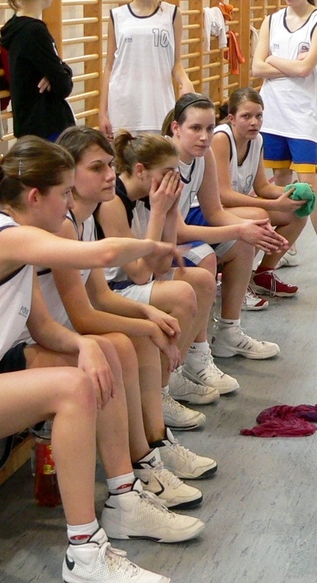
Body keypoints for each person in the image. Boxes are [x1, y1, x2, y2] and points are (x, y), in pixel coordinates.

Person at [0, 136, 207, 583]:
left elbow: (42, 327)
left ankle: (125, 499)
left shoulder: (9, 234)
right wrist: (155, 242)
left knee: (107, 350)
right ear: (35, 197)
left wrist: (84, 344)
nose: (68, 204)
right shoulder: (6, 236)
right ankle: (85, 552)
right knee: (74, 388)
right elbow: (102, 255)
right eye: (63, 193)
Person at [38, 126, 217, 476]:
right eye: (97, 168)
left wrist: (147, 314)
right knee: (130, 339)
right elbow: (118, 290)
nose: (109, 174)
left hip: (77, 317)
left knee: (144, 329)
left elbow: (102, 296)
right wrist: (146, 324)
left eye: (109, 165)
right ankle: (142, 460)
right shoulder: (73, 222)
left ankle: (155, 443)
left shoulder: (83, 220)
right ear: (68, 174)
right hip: (48, 334)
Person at [95, 129, 239, 399]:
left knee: (202, 279)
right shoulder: (114, 202)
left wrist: (171, 212)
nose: (175, 180)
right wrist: (160, 212)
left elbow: (160, 267)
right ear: (140, 170)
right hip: (111, 290)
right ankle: (159, 394)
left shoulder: (151, 196)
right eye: (168, 172)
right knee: (181, 293)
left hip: (133, 282)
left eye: (177, 172)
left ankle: (176, 374)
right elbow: (139, 274)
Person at [161, 93, 286, 360]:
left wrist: (254, 228)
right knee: (207, 257)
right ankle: (196, 354)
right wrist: (240, 229)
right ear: (176, 128)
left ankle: (229, 333)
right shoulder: (164, 162)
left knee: (244, 242)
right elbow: (177, 231)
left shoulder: (203, 156)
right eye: (195, 128)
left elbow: (215, 212)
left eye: (209, 128)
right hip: (154, 245)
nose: (204, 136)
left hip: (176, 233)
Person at [211, 88, 308, 299]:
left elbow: (262, 187)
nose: (254, 122)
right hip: (211, 210)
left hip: (235, 207)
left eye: (259, 116)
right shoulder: (221, 139)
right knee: (259, 217)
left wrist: (292, 193)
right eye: (246, 116)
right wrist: (274, 205)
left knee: (297, 213)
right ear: (231, 118)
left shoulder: (257, 140)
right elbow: (223, 195)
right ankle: (236, 282)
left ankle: (263, 274)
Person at [252, 0, 317, 236]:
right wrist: (292, 65)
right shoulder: (271, 20)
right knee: (280, 183)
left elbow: (304, 70)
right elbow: (256, 68)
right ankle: (286, 243)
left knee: (309, 188)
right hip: (273, 113)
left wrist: (273, 59)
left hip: (304, 115)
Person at [98, 0, 194, 139]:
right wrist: (102, 113)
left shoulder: (172, 14)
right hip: (124, 108)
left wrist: (185, 81)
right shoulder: (117, 16)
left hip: (159, 106)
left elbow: (176, 64)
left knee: (161, 156)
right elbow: (109, 66)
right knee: (125, 158)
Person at [0, 0, 75, 141]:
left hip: (31, 126)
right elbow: (64, 85)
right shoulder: (34, 31)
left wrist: (58, 71)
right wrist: (60, 72)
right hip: (44, 128)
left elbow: (57, 73)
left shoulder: (16, 26)